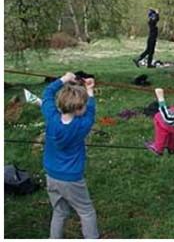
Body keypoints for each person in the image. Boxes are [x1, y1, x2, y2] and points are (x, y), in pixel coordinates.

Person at [41, 72, 99, 239]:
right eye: (84, 105)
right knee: (86, 211)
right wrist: (90, 90)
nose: (87, 107)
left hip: (51, 174)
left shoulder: (51, 117)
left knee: (59, 211)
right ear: (79, 109)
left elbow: (47, 93)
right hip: (72, 178)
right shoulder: (83, 125)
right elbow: (91, 112)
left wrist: (64, 79)